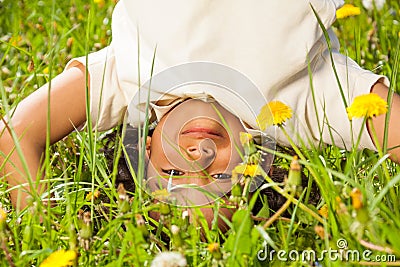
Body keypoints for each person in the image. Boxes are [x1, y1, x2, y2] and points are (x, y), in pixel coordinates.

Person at [1, 0, 400, 224]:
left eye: (173, 174)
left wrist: (44, 226)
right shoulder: (300, 102)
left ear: (146, 144)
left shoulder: (130, 79)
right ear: (258, 166)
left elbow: (17, 132)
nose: (200, 157)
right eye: (220, 177)